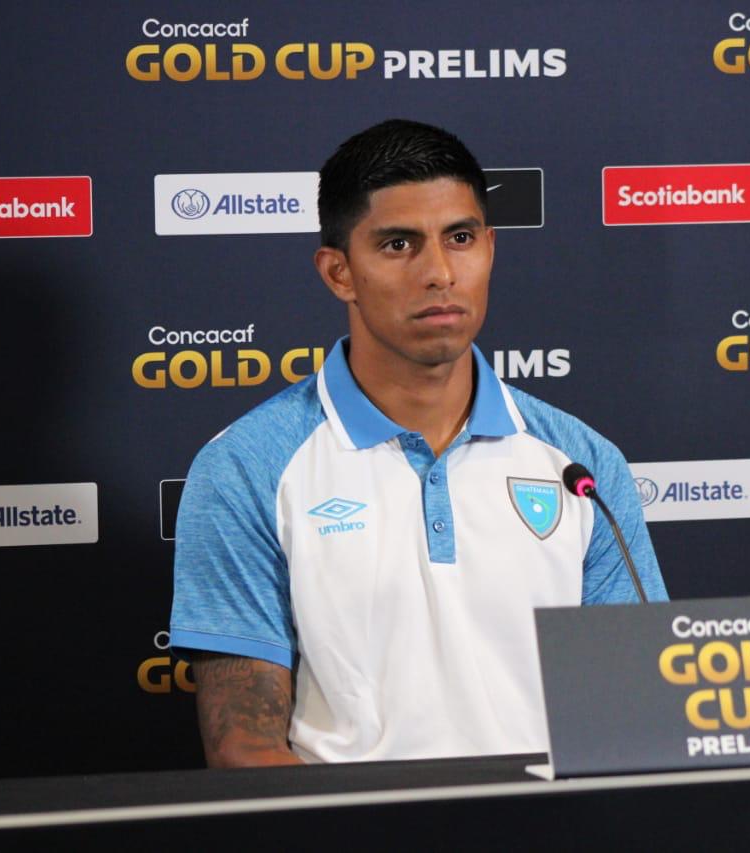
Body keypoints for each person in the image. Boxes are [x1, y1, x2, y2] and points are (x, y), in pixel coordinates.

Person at [169, 119, 667, 767]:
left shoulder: (581, 464)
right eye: (399, 244)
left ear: (489, 248)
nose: (439, 272)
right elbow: (245, 745)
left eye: (459, 238)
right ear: (339, 272)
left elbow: (637, 707)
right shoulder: (245, 467)